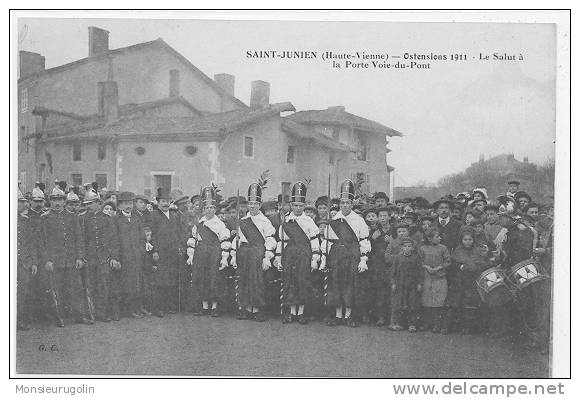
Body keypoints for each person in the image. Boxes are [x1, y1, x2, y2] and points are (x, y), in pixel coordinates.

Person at [320, 179, 370, 328]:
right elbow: (327, 241)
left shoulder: (359, 221)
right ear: (339, 204)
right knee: (336, 285)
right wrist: (324, 260)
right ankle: (337, 315)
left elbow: (364, 241)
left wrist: (363, 260)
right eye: (342, 203)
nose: (345, 205)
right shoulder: (334, 220)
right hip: (336, 256)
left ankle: (348, 316)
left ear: (352, 204)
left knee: (349, 286)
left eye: (348, 203)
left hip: (351, 255)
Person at [41, 187, 89, 327]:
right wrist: (47, 260)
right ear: (50, 201)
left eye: (60, 200)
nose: (57, 203)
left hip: (72, 260)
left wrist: (79, 257)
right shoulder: (45, 218)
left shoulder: (72, 217)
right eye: (55, 200)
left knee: (76, 288)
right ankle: (59, 316)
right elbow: (43, 242)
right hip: (55, 261)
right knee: (57, 290)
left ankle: (79, 315)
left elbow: (79, 238)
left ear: (64, 201)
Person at [274, 181, 320, 324]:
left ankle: (300, 313)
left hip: (304, 253)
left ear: (304, 206)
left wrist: (314, 259)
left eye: (301, 206)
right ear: (291, 205)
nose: (298, 208)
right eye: (295, 205)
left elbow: (314, 241)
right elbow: (281, 241)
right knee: (290, 281)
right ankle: (291, 312)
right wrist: (278, 258)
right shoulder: (286, 221)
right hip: (290, 253)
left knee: (302, 281)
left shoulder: (309, 222)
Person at [231, 182, 276, 322]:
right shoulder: (243, 221)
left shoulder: (265, 221)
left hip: (257, 253)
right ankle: (245, 308)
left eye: (256, 204)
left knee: (256, 282)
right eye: (250, 204)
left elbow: (270, 240)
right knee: (244, 280)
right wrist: (233, 255)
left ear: (260, 204)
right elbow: (237, 240)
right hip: (244, 253)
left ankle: (256, 310)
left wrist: (267, 258)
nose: (253, 206)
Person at [189, 186, 231, 316]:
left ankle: (214, 307)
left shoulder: (220, 224)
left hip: (214, 253)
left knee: (214, 279)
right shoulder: (199, 224)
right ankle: (204, 306)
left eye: (212, 208)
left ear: (215, 209)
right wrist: (191, 255)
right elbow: (193, 239)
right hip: (201, 253)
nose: (209, 210)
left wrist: (224, 258)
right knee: (202, 278)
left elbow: (225, 242)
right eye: (206, 208)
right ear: (203, 209)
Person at [81, 190, 120, 322]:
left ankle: (102, 313)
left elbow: (114, 240)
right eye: (86, 204)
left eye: (90, 203)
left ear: (98, 203)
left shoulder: (107, 219)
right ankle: (90, 313)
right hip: (89, 257)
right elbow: (80, 239)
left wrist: (114, 257)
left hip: (104, 257)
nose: (87, 206)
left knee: (103, 286)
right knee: (90, 286)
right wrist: (82, 256)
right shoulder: (83, 218)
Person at [442, 227, 489, 335]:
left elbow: (483, 263)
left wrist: (475, 266)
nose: (467, 242)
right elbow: (453, 264)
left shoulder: (478, 250)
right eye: (465, 239)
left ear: (473, 240)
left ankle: (468, 327)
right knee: (454, 304)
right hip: (459, 281)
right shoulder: (458, 251)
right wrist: (461, 267)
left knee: (470, 305)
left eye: (470, 239)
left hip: (472, 281)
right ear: (461, 240)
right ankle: (449, 326)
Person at [150, 188, 186, 316]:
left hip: (172, 252)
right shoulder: (153, 215)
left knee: (171, 279)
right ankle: (158, 307)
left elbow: (179, 233)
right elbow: (151, 235)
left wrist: (180, 246)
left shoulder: (175, 216)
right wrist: (154, 250)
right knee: (160, 281)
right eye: (163, 201)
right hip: (160, 252)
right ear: (158, 202)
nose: (165, 204)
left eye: (168, 201)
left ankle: (169, 305)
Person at [112, 192, 146, 320]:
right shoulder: (115, 220)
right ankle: (122, 311)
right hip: (123, 258)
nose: (128, 206)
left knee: (136, 285)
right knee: (123, 285)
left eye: (130, 203)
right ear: (119, 206)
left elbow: (142, 238)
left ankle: (134, 309)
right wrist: (116, 258)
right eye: (125, 204)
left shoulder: (137, 219)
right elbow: (114, 240)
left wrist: (141, 251)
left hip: (136, 257)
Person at [418, 229, 450, 333]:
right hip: (427, 277)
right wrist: (426, 266)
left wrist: (439, 268)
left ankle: (438, 324)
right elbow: (419, 261)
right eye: (437, 236)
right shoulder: (422, 249)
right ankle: (428, 323)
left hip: (440, 278)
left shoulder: (443, 248)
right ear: (429, 238)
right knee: (427, 301)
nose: (440, 238)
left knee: (438, 302)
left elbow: (448, 261)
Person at [388, 237, 422, 332]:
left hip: (412, 284)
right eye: (405, 246)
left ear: (412, 248)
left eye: (409, 246)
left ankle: (412, 324)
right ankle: (399, 323)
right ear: (402, 248)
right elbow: (393, 271)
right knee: (399, 303)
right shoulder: (398, 257)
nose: (407, 248)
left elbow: (420, 271)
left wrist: (419, 283)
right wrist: (393, 283)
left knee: (412, 303)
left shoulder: (416, 257)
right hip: (400, 283)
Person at [17, 191, 38, 330]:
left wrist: (34, 261)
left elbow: (32, 243)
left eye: (22, 201)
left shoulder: (26, 220)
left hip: (24, 262)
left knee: (23, 292)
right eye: (19, 201)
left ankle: (19, 320)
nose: (22, 204)